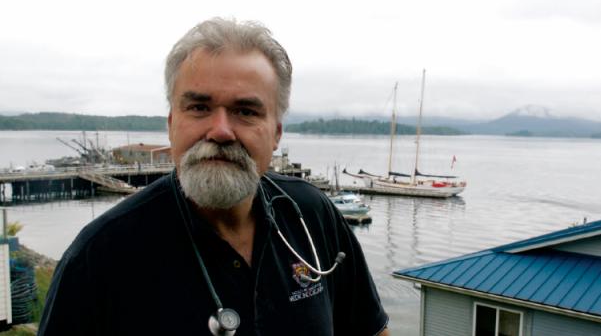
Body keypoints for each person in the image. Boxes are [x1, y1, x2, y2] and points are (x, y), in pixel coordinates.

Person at [39, 18, 390, 336]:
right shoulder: (100, 256)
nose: (221, 131)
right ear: (172, 124)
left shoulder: (314, 214)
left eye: (245, 111)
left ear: (277, 133)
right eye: (199, 107)